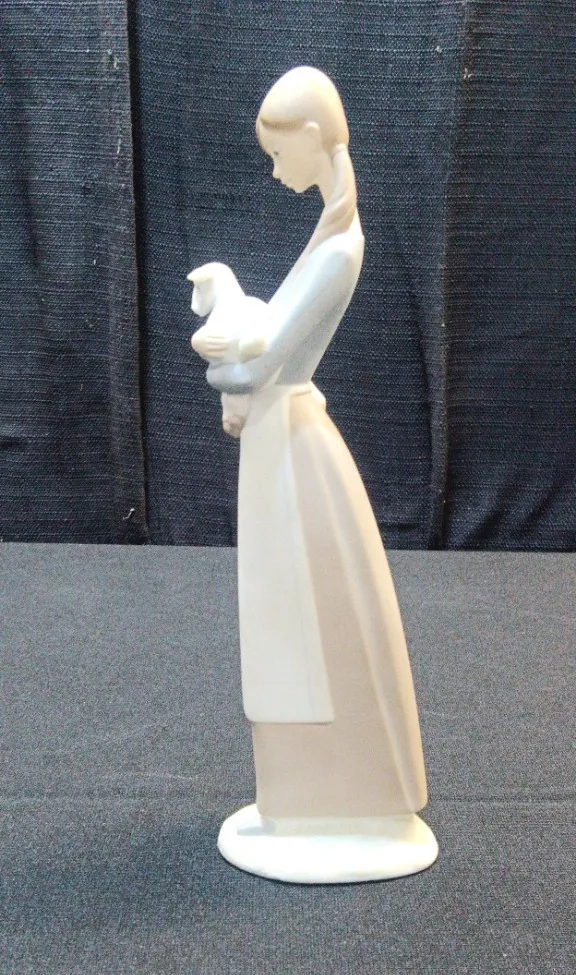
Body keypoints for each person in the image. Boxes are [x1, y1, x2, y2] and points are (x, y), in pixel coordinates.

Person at [199, 66, 428, 824]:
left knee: (299, 621)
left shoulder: (338, 251)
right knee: (293, 619)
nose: (274, 172)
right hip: (282, 439)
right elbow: (275, 336)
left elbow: (264, 364)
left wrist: (218, 361)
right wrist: (239, 313)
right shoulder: (330, 235)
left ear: (308, 135)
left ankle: (327, 799)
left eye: (277, 154)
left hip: (291, 445)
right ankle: (307, 797)